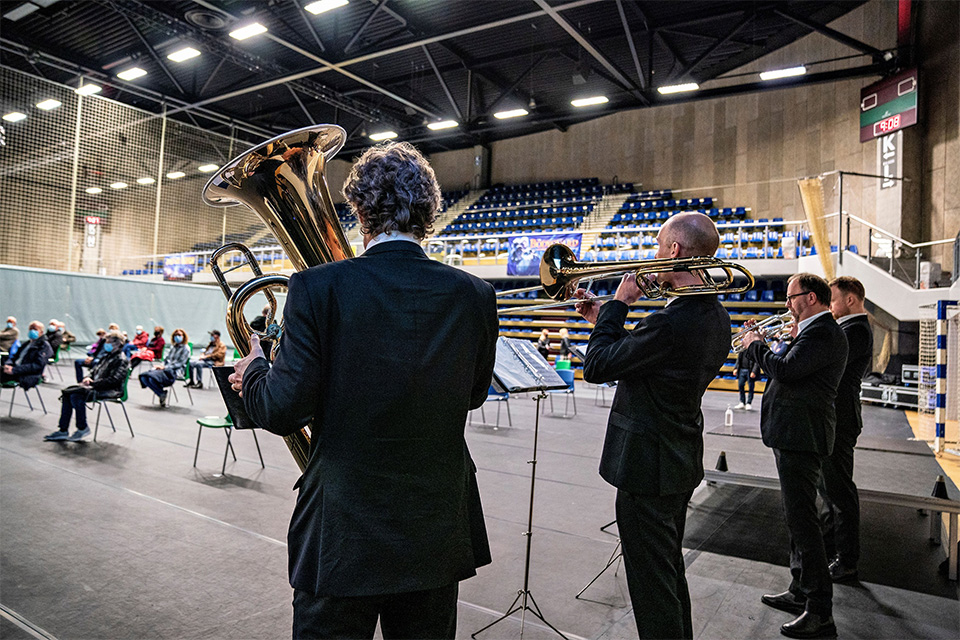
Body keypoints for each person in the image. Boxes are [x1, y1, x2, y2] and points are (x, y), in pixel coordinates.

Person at [229, 141, 498, 640]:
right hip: (435, 526)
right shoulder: (476, 294)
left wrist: (258, 370)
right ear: (429, 210)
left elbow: (283, 410)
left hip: (342, 531)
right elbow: (474, 395)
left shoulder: (315, 287)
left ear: (358, 210)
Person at [573, 212, 731, 639]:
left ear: (675, 251)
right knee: (667, 574)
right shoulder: (715, 315)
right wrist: (602, 320)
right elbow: (649, 362)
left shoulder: (669, 321)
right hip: (676, 461)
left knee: (651, 587)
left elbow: (597, 366)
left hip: (647, 467)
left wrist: (620, 304)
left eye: (660, 246)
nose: (655, 255)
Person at [742, 273, 848, 639]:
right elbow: (790, 369)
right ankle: (800, 588)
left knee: (804, 523)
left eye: (793, 297)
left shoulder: (823, 334)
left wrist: (757, 345)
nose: (787, 304)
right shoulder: (809, 333)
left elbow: (785, 370)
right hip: (792, 434)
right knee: (795, 518)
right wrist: (777, 344)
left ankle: (820, 610)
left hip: (803, 437)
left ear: (814, 298)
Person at [820, 276, 873, 582]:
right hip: (837, 418)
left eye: (834, 300)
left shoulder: (854, 330)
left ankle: (847, 560)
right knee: (830, 489)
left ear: (850, 300)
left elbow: (826, 367)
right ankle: (832, 552)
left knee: (839, 491)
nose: (830, 307)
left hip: (840, 419)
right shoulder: (849, 329)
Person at [43, 331, 129, 442]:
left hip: (111, 390)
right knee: (68, 394)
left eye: (108, 342)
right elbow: (94, 371)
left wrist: (92, 383)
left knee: (75, 395)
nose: (105, 344)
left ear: (118, 344)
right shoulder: (106, 357)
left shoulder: (121, 360)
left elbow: (114, 381)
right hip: (98, 386)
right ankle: (63, 430)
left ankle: (82, 428)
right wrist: (88, 378)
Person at [138, 328, 189, 407]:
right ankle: (161, 393)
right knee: (144, 377)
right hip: (165, 369)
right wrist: (161, 366)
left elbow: (180, 364)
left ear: (184, 337)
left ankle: (160, 393)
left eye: (179, 335)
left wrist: (165, 367)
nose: (177, 337)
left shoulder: (186, 349)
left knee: (152, 378)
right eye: (176, 335)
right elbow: (166, 359)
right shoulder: (173, 347)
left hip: (175, 371)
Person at [2, 321, 53, 390]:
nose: (32, 331)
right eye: (30, 329)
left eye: (35, 329)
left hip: (28, 374)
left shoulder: (44, 346)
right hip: (15, 369)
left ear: (41, 332)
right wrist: (8, 365)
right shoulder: (26, 344)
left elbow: (37, 365)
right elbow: (14, 357)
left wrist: (14, 370)